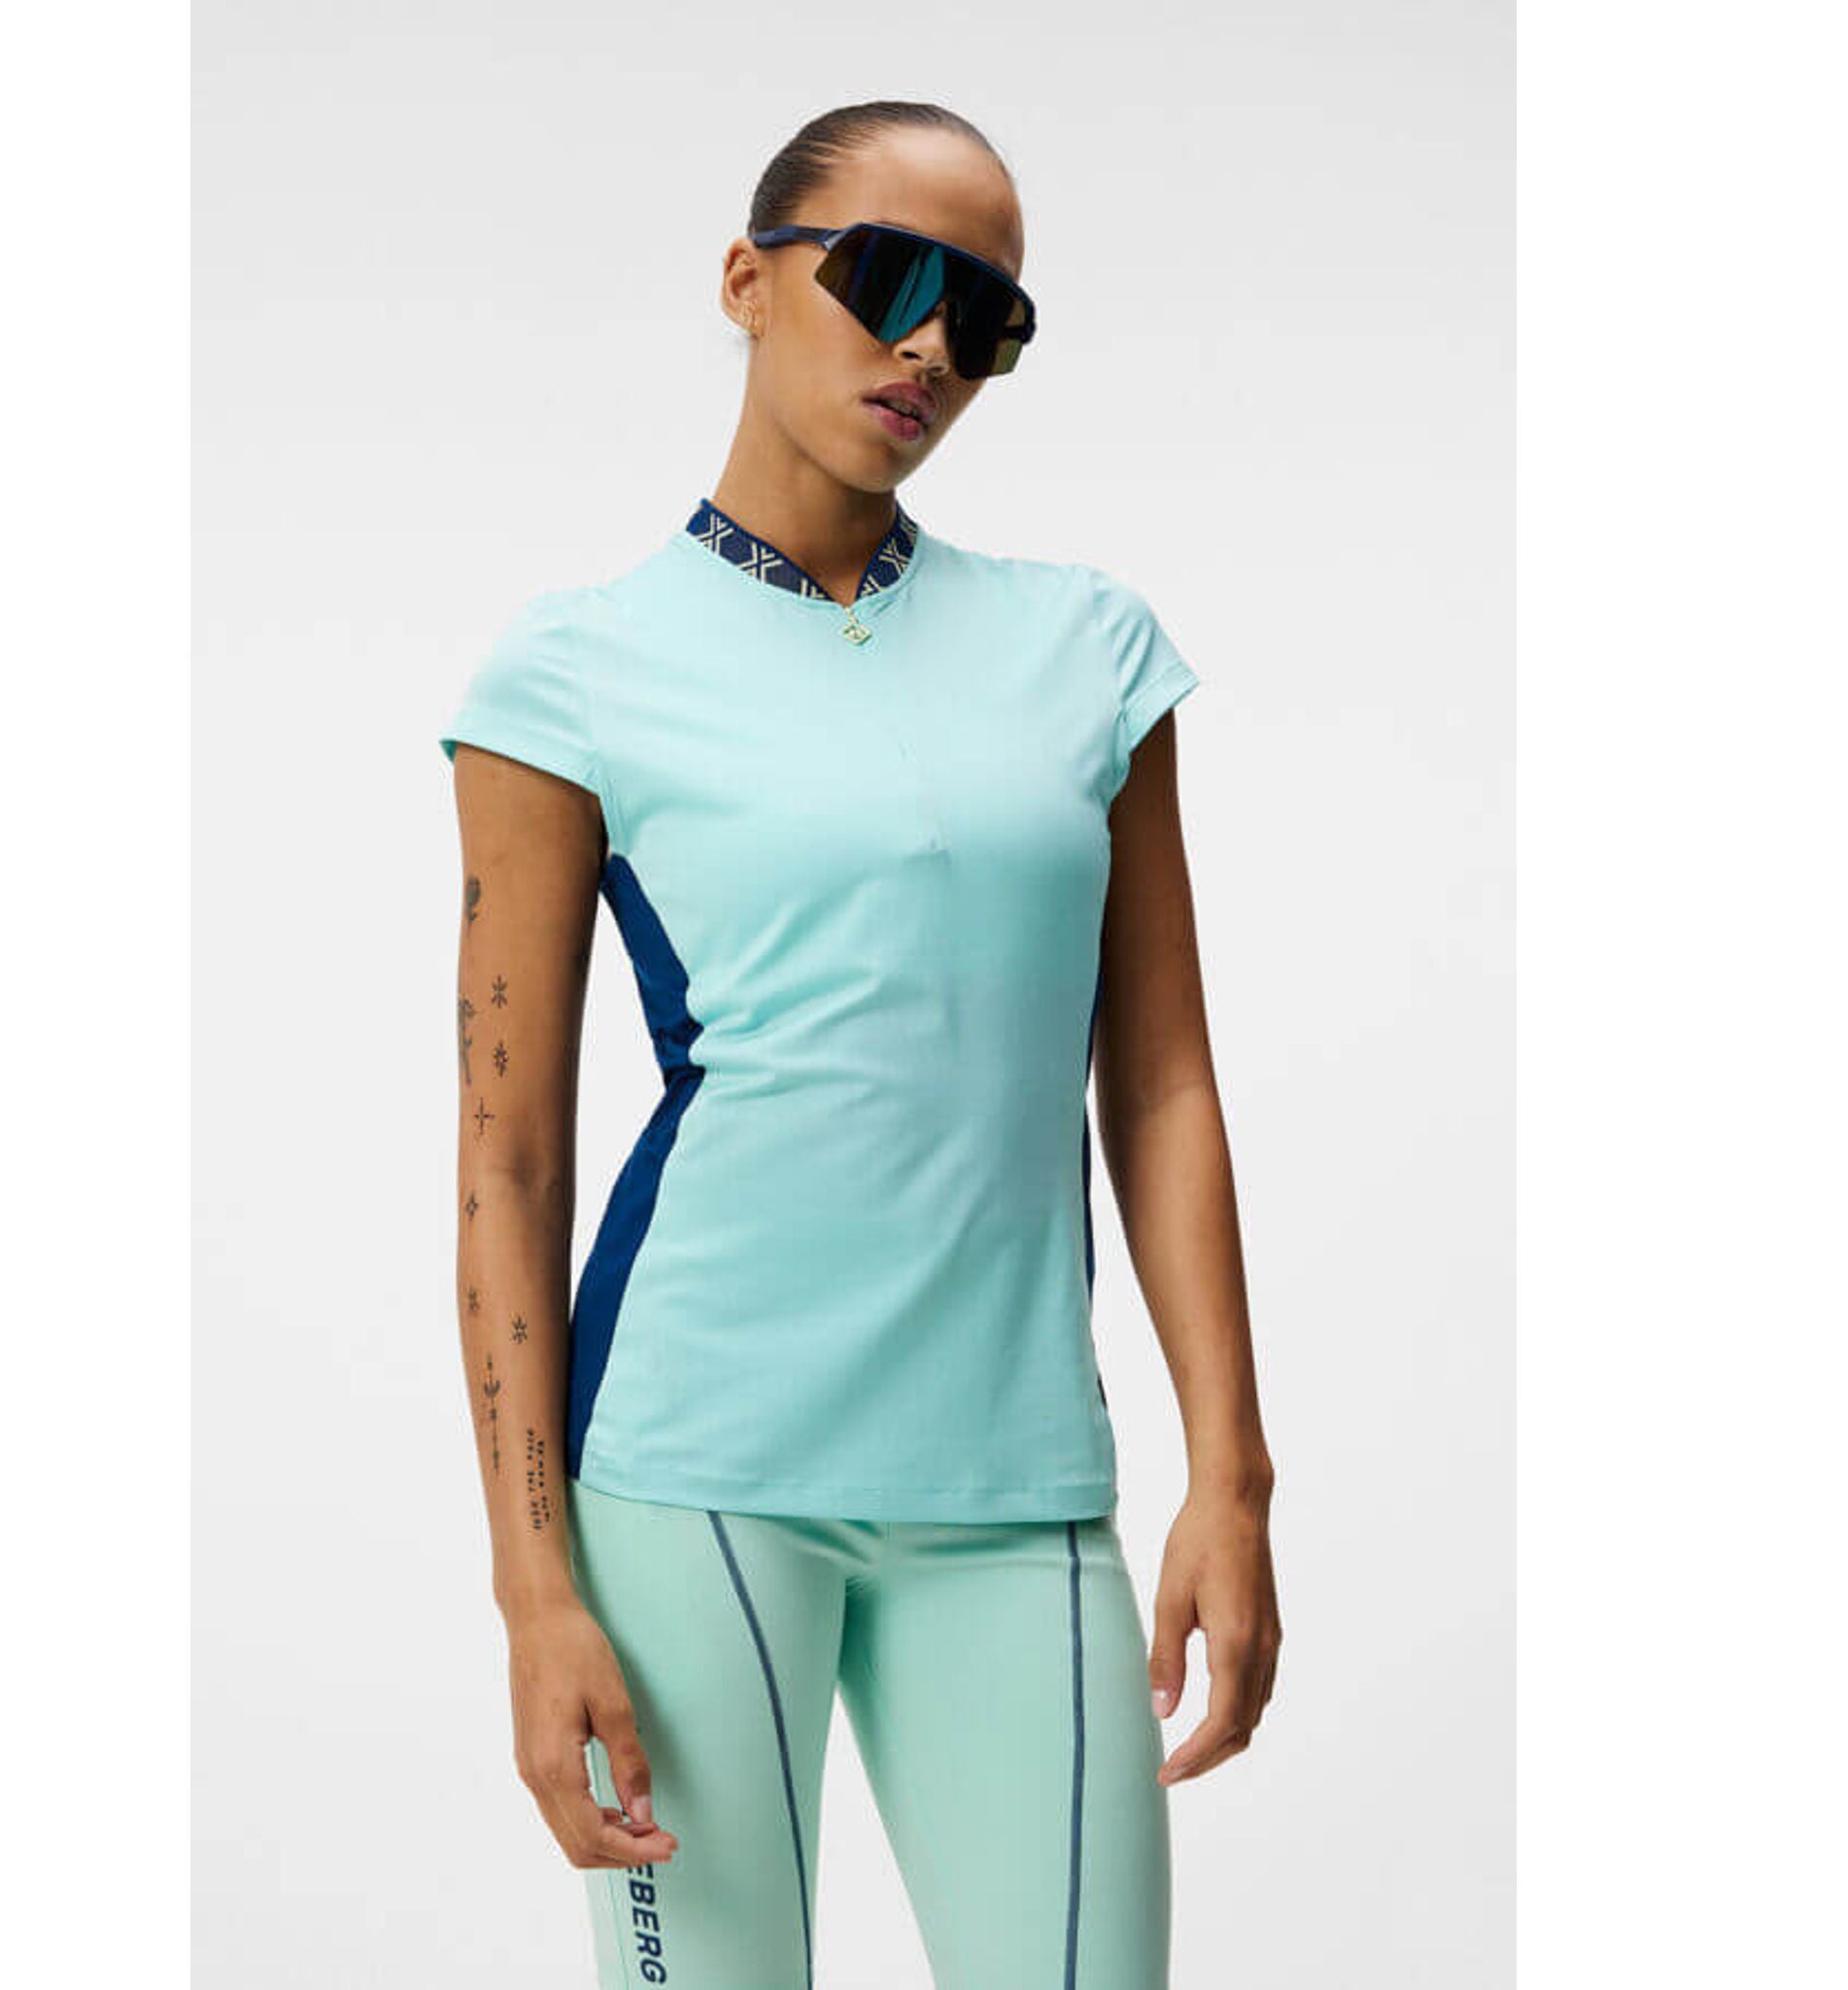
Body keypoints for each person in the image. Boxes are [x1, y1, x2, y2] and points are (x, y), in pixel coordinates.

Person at [439, 99, 1280, 1990]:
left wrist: (1228, 1473)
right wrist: (533, 1588)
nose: (930, 346)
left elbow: (1159, 1080)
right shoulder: (570, 675)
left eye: (987, 318)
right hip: (691, 1476)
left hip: (1018, 1487)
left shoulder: (1087, 652)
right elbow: (509, 1159)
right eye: (889, 276)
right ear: (746, 280)